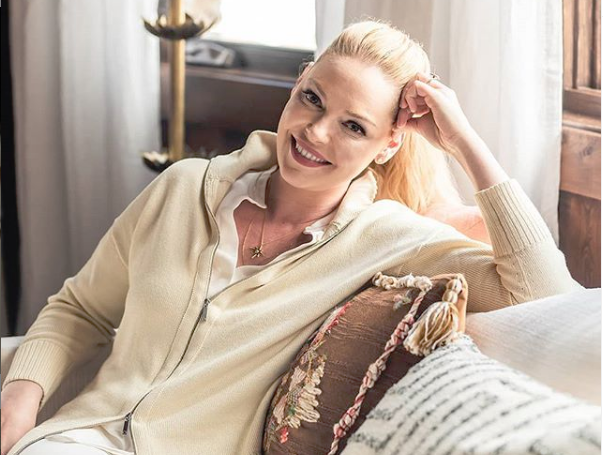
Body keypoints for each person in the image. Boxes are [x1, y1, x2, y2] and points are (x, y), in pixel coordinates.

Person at [1, 20, 581, 455]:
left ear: (388, 145)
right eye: (312, 98)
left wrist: (464, 144)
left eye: (353, 126)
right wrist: (17, 410)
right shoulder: (184, 187)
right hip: (71, 441)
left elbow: (545, 295)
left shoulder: (389, 239)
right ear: (297, 83)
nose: (316, 132)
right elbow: (81, 310)